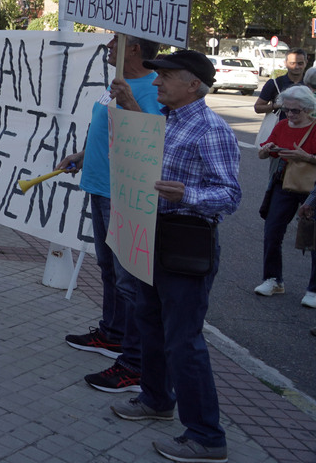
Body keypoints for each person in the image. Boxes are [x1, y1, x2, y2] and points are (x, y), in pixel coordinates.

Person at [109, 50, 240, 463]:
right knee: (149, 322)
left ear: (193, 85)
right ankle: (156, 399)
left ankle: (206, 435)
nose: (157, 82)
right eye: (157, 75)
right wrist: (129, 105)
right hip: (150, 236)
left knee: (183, 340)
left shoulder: (211, 129)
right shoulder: (165, 121)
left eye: (166, 76)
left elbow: (230, 195)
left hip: (186, 241)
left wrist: (189, 194)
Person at [57, 34, 162, 394]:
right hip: (100, 186)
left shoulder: (153, 88)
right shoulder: (114, 84)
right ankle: (112, 334)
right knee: (108, 271)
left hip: (125, 193)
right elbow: (104, 129)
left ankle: (133, 363)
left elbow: (152, 140)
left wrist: (130, 100)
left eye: (115, 41)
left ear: (134, 49)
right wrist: (83, 155)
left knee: (129, 282)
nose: (107, 47)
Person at [254, 85, 316, 304]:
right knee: (272, 232)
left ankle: (314, 290)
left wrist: (307, 157)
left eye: (295, 111)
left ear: (308, 109)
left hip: (312, 188)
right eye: (287, 110)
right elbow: (264, 152)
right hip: (284, 183)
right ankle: (273, 279)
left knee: (313, 238)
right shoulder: (281, 125)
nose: (290, 115)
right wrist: (265, 150)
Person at [254, 48, 308, 116]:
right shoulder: (274, 83)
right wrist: (275, 106)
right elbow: (257, 108)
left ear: (306, 63)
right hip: (281, 125)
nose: (296, 67)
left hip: (308, 126)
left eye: (300, 63)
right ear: (285, 63)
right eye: (292, 63)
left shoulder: (311, 84)